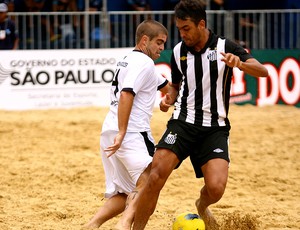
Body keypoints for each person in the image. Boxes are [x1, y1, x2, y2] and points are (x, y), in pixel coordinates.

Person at [132, 1, 268, 230]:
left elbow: (262, 71)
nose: (182, 34)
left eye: (186, 28)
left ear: (201, 24)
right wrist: (169, 98)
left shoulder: (226, 46)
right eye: (179, 29)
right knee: (155, 175)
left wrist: (240, 64)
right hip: (183, 122)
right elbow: (175, 85)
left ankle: (201, 205)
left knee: (215, 189)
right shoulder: (178, 51)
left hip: (215, 128)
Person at [84, 19, 169, 230]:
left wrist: (167, 100)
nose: (162, 48)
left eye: (164, 43)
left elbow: (166, 87)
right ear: (144, 40)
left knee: (125, 192)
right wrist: (123, 132)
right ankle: (122, 226)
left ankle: (92, 225)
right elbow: (126, 93)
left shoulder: (127, 59)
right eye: (159, 42)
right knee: (150, 181)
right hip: (131, 132)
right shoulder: (144, 63)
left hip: (109, 130)